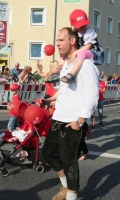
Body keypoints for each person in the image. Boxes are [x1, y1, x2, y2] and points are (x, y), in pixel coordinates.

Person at [42, 27, 99, 200]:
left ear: (72, 41)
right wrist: (50, 100)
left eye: (60, 40)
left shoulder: (86, 64)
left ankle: (71, 195)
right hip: (58, 118)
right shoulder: (65, 64)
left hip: (72, 122)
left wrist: (80, 121)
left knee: (69, 163)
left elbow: (92, 94)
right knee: (48, 153)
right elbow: (65, 90)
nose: (57, 44)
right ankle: (66, 187)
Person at [58, 9, 100, 84]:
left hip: (92, 53)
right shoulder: (75, 33)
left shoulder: (89, 32)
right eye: (79, 26)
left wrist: (75, 53)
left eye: (83, 25)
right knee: (65, 54)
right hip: (81, 52)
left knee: (82, 53)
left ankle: (72, 74)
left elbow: (88, 46)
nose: (81, 27)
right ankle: (59, 70)